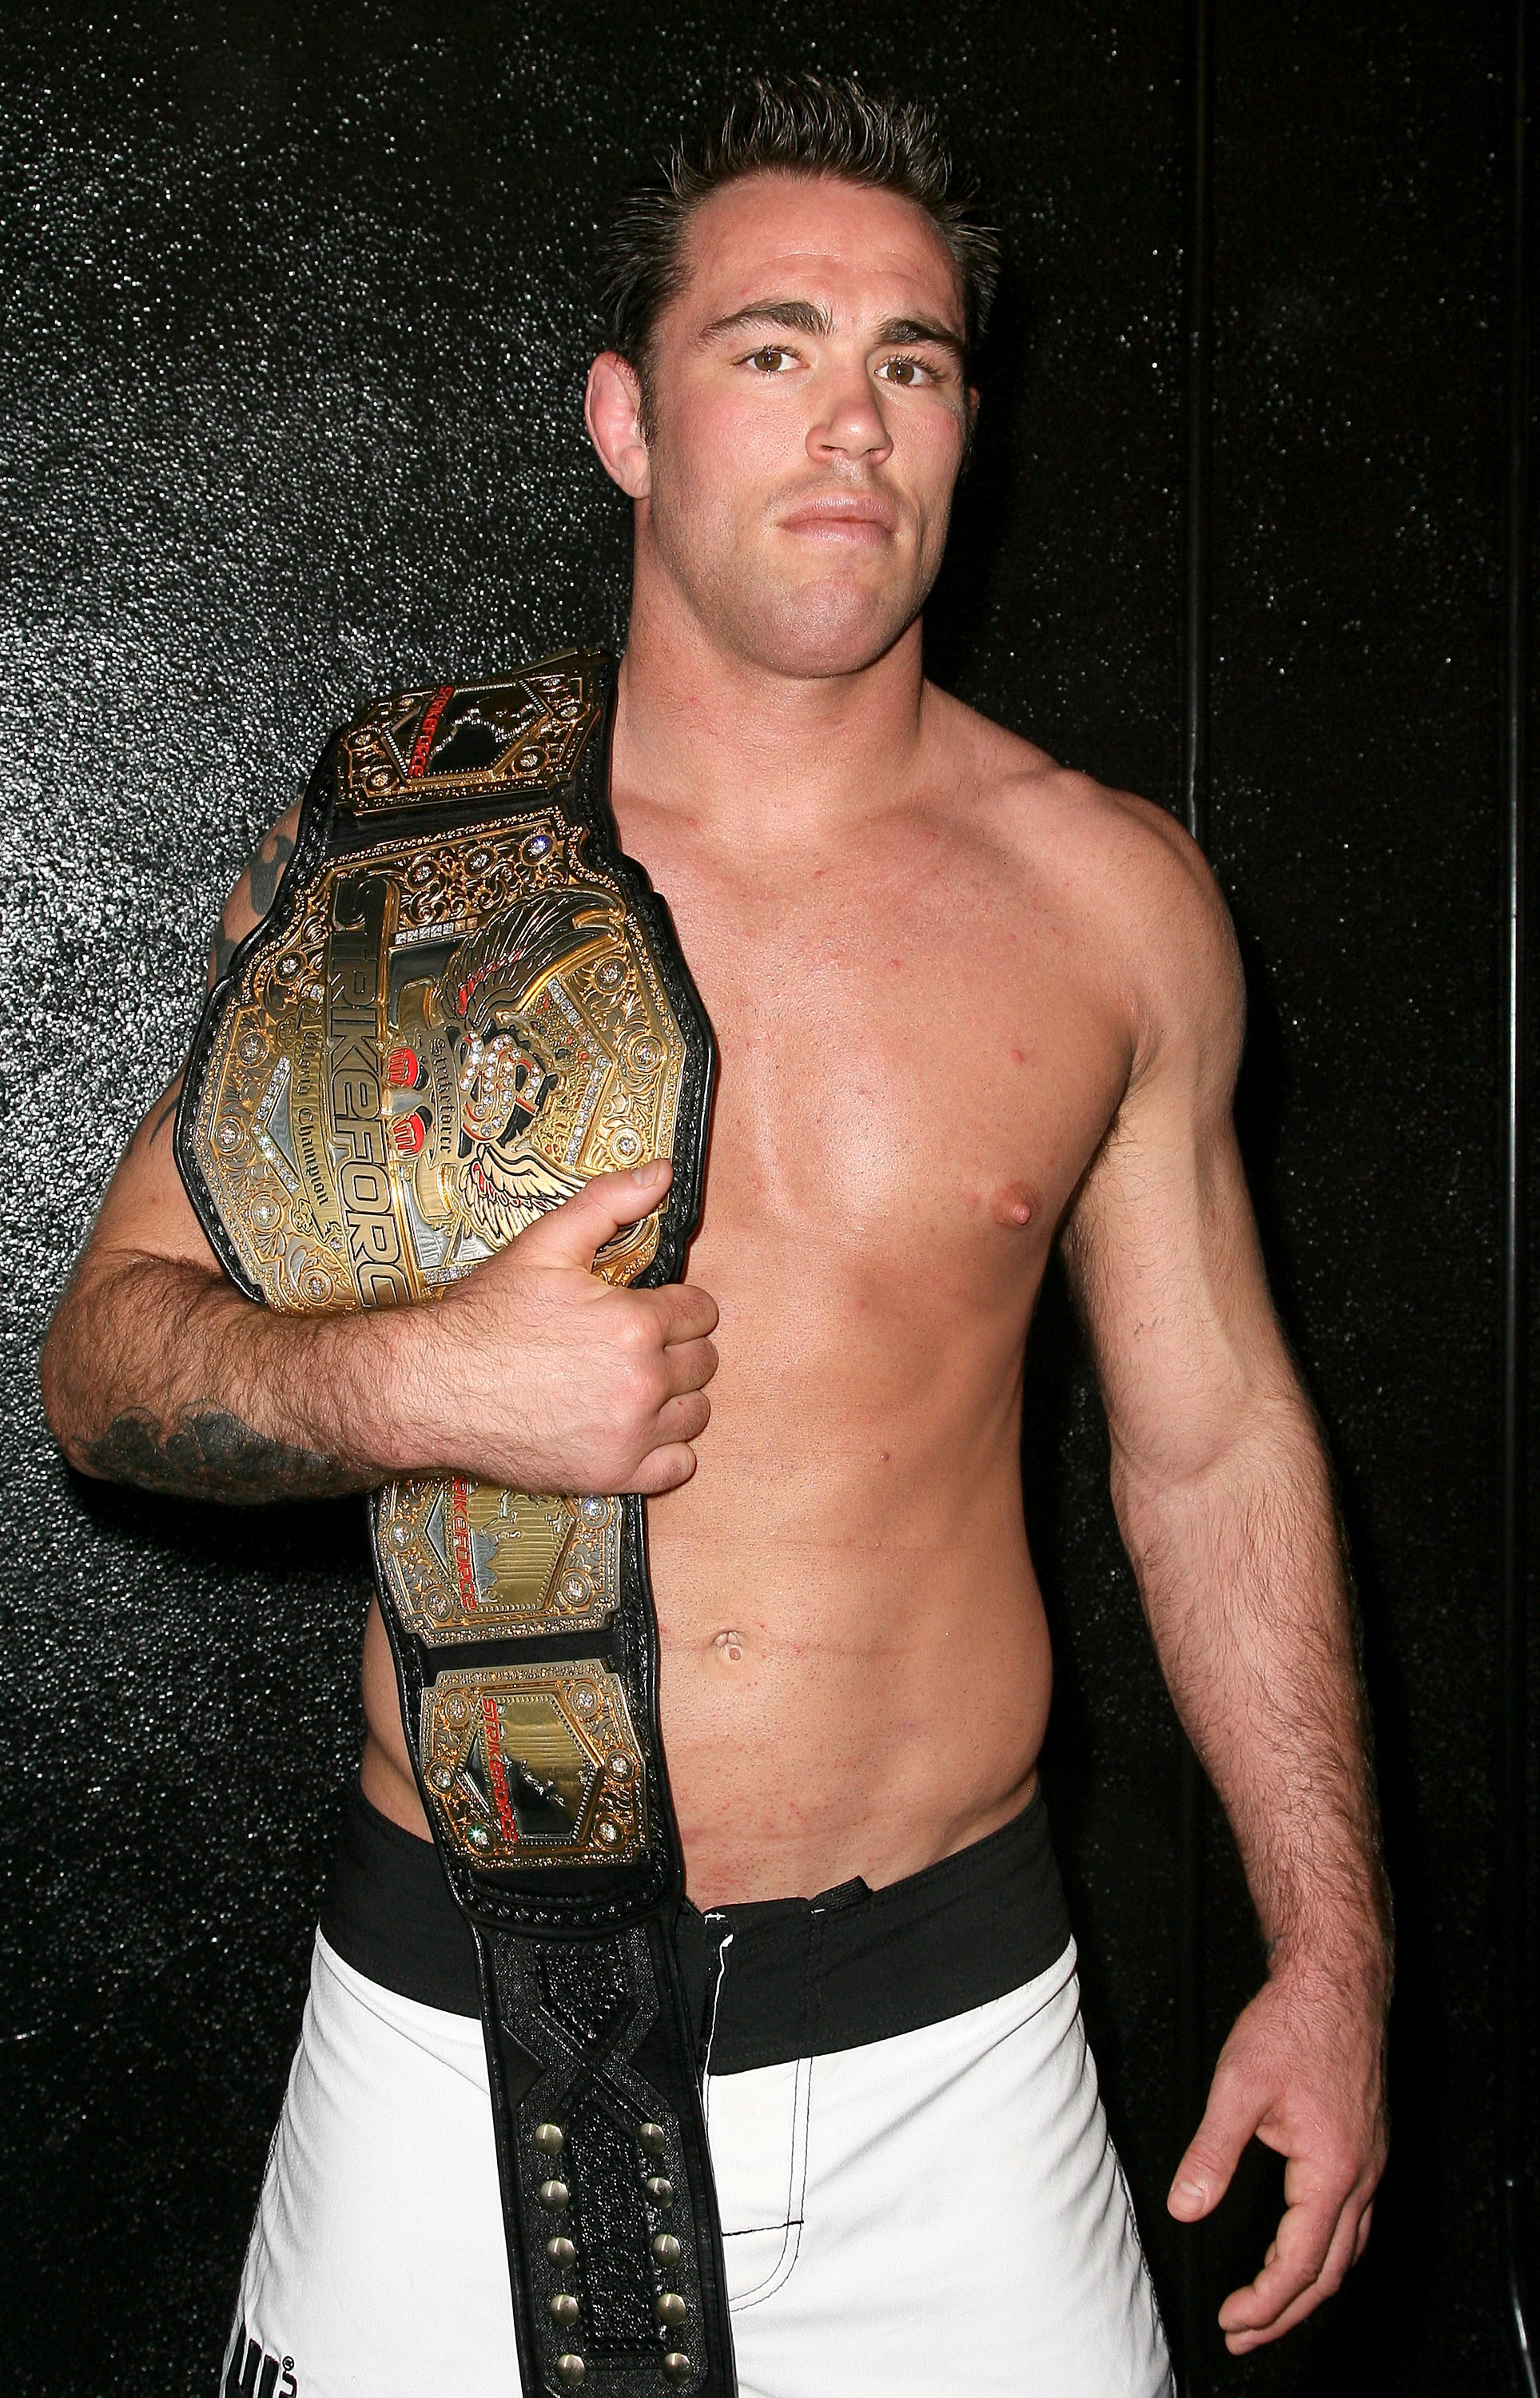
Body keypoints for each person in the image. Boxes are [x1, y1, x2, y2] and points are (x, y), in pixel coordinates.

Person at [40, 72, 1389, 2398]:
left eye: (914, 361)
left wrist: (1333, 1961)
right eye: (773, 350)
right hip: (455, 2037)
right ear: (626, 421)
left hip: (963, 2067)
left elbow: (1214, 1447)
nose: (851, 425)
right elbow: (101, 1368)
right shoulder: (415, 859)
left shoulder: (1111, 904)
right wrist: (409, 1380)